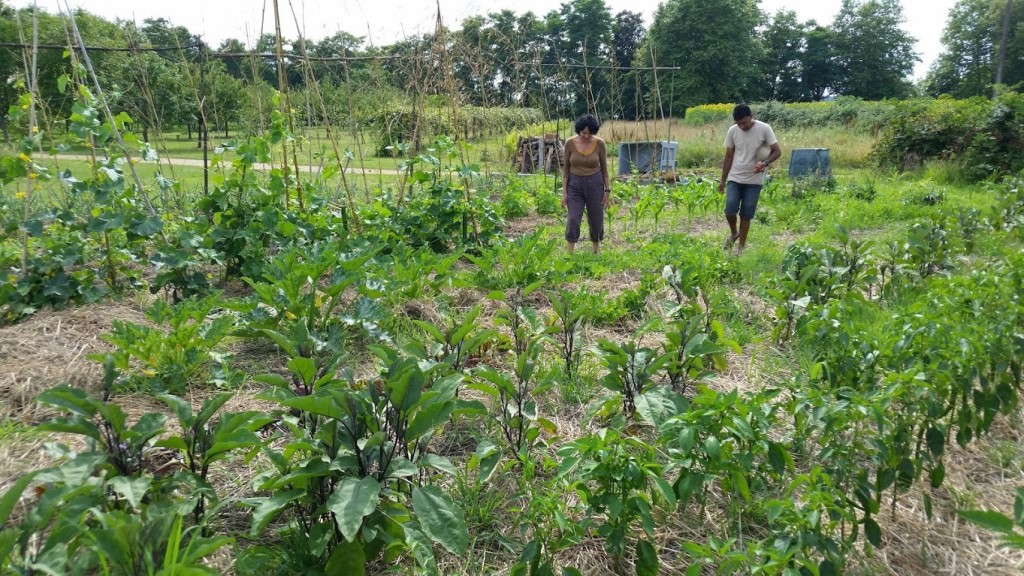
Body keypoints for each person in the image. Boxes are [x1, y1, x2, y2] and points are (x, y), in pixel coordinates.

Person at [717, 103, 781, 253]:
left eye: (744, 122)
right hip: (735, 177)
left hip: (754, 180)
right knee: (729, 210)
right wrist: (722, 180)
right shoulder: (733, 131)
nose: (742, 126)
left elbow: (777, 151)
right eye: (738, 123)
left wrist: (765, 163)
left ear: (751, 117)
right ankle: (734, 233)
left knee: (746, 214)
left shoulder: (764, 128)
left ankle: (741, 247)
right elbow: (729, 156)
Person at [562, 113, 611, 254]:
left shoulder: (600, 144)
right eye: (584, 133)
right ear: (579, 130)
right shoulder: (570, 143)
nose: (586, 136)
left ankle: (596, 250)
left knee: (596, 218)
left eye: (589, 134)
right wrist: (564, 193)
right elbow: (566, 170)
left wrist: (607, 191)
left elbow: (605, 170)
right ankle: (570, 253)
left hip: (595, 184)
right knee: (573, 218)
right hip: (574, 185)